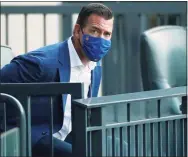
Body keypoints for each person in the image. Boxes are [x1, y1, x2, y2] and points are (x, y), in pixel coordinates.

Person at [1, 3, 114, 157]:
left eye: (106, 34)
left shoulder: (95, 65)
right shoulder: (41, 63)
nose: (101, 39)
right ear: (77, 31)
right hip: (35, 139)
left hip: (68, 135)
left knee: (118, 147)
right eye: (94, 31)